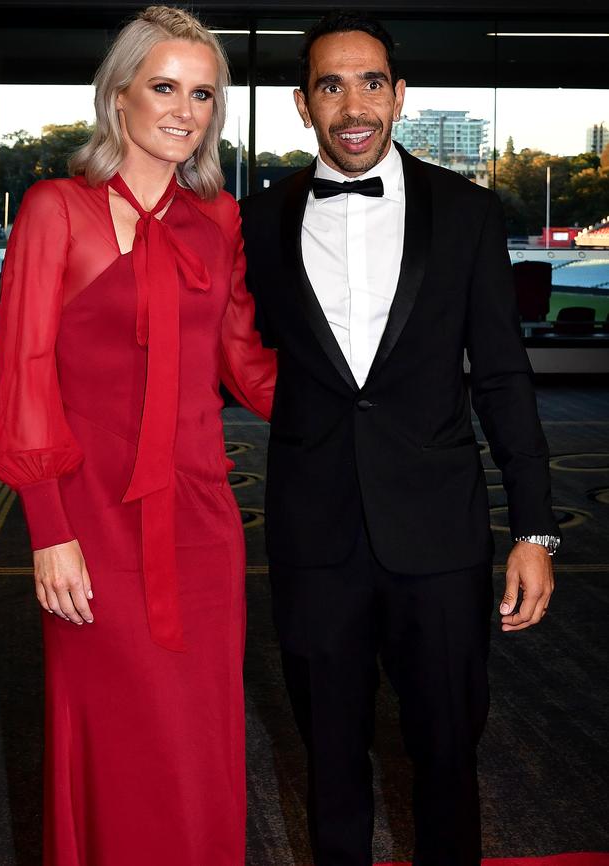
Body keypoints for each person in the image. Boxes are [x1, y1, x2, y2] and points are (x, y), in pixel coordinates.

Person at [239, 11, 559, 866]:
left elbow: (500, 376)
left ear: (400, 94)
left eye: (371, 82)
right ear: (303, 105)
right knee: (329, 758)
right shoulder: (257, 222)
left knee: (449, 753)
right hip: (314, 535)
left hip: (441, 536)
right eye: (331, 84)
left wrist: (535, 528)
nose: (354, 104)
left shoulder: (466, 213)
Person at [0, 6, 276, 866]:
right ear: (119, 96)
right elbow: (25, 371)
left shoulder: (216, 223)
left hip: (202, 523)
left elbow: (245, 363)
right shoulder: (55, 210)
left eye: (203, 94)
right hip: (91, 525)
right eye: (164, 87)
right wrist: (49, 530)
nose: (186, 110)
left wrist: (374, 395)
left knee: (199, 742)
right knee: (116, 739)